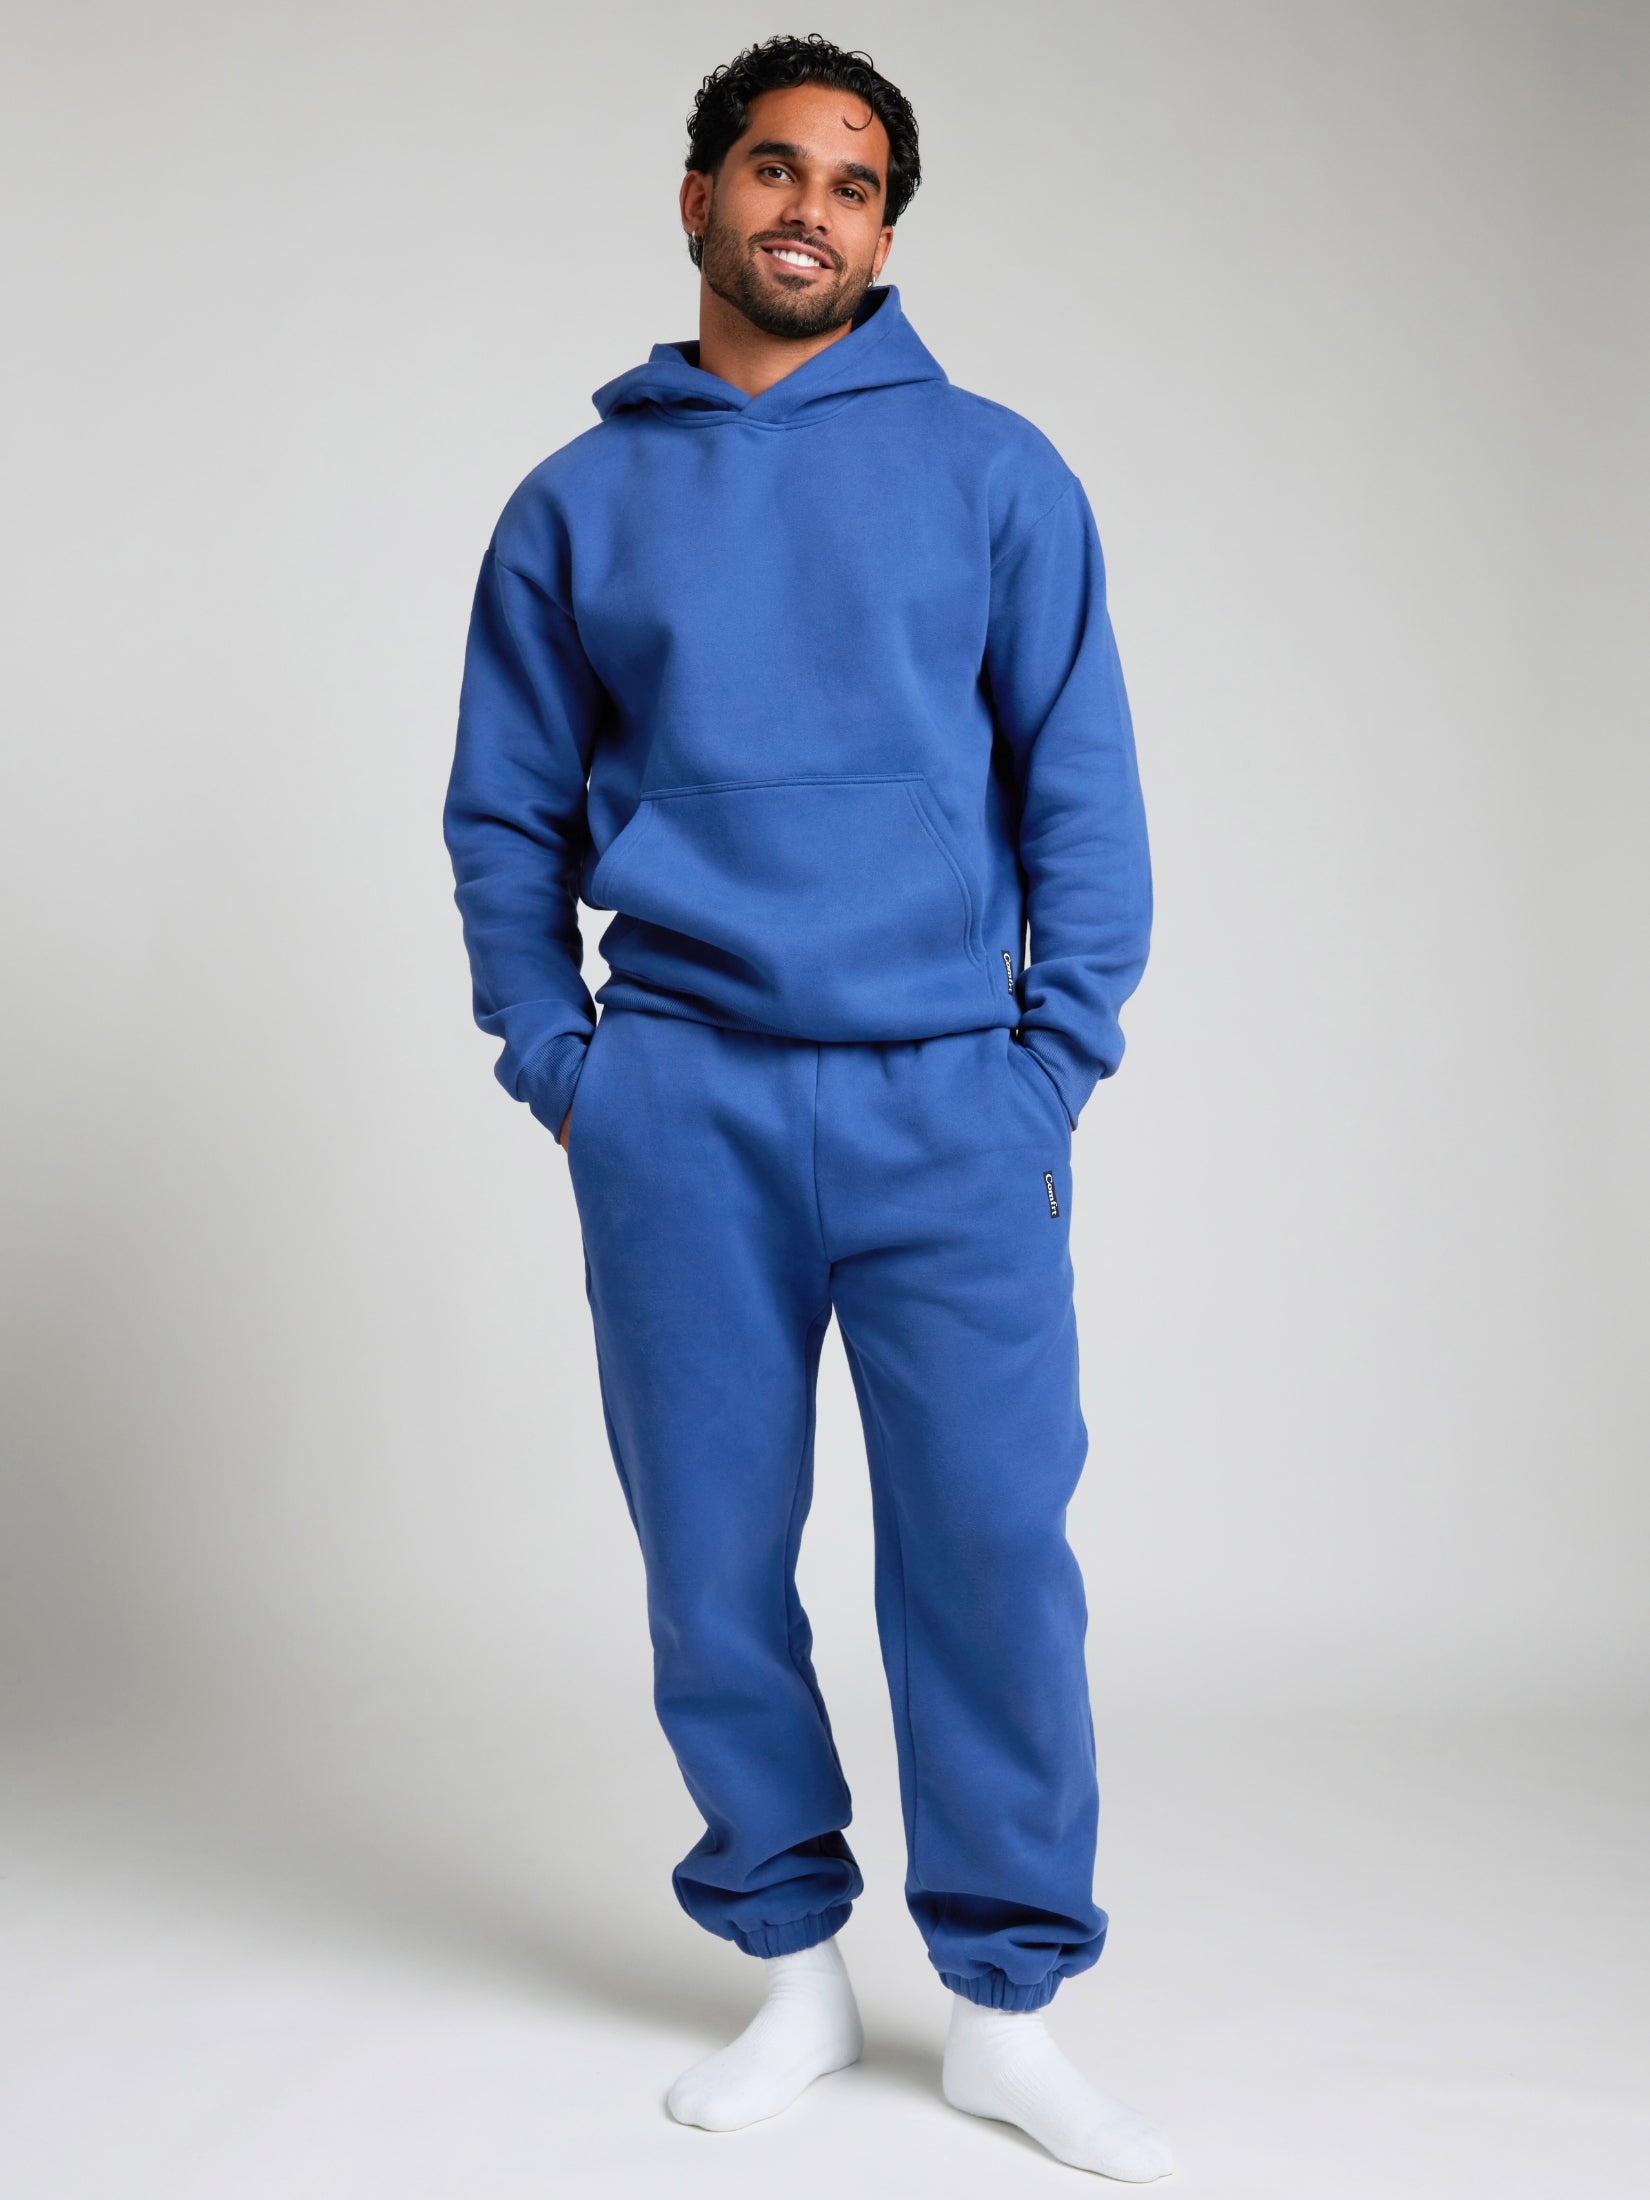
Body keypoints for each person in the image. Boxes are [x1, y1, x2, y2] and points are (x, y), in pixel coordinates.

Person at [443, 32, 1171, 2182]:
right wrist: (563, 1062)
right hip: (680, 1106)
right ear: (698, 198)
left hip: (951, 1103)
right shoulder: (576, 504)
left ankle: (1007, 2009)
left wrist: (1049, 1065)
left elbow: (1084, 792)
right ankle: (789, 1964)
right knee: (712, 1563)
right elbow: (499, 814)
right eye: (774, 170)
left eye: (853, 186)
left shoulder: (998, 472)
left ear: (885, 229)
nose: (810, 211)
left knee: (993, 1557)